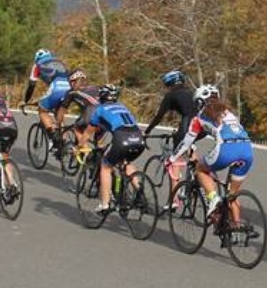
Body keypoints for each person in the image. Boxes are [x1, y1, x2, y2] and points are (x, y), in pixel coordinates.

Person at [166, 84, 254, 221]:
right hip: (247, 150)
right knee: (232, 196)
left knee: (200, 169)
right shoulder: (229, 112)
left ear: (200, 102)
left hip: (226, 149)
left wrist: (172, 159)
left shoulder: (199, 117)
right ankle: (236, 228)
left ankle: (213, 199)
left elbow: (186, 143)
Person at [87, 84, 146, 213]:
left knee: (105, 166)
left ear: (102, 97)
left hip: (121, 138)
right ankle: (140, 193)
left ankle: (105, 204)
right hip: (138, 138)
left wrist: (80, 146)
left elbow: (87, 133)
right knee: (126, 162)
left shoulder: (100, 109)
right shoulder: (123, 107)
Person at [21, 49, 71, 155]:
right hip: (69, 88)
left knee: (42, 110)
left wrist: (25, 100)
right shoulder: (59, 61)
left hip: (56, 87)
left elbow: (31, 85)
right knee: (59, 114)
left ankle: (54, 139)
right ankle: (66, 142)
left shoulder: (37, 65)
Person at [144, 69, 197, 147]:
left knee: (178, 143)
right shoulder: (190, 92)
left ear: (170, 83)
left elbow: (159, 116)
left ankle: (178, 158)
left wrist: (147, 131)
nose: (166, 88)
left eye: (167, 85)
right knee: (187, 144)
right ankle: (193, 158)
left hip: (190, 120)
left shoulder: (171, 95)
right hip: (203, 120)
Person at [54, 68, 100, 151]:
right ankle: (100, 158)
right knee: (99, 142)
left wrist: (58, 124)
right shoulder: (95, 87)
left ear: (73, 82)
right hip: (105, 114)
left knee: (76, 127)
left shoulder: (72, 92)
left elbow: (62, 110)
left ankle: (86, 153)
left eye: (70, 82)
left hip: (91, 113)